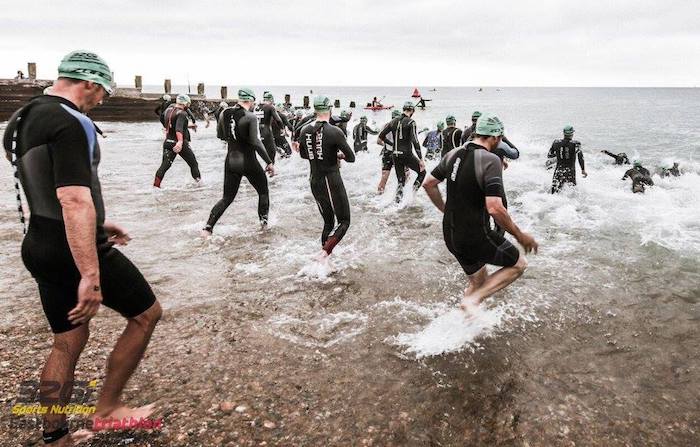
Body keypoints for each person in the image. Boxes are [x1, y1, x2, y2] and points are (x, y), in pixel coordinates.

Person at [3, 50, 161, 446]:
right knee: (146, 315)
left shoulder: (22, 118)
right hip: (74, 251)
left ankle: (56, 435)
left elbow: (44, 186)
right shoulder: (72, 122)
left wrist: (100, 221)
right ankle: (107, 409)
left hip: (39, 244)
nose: (103, 99)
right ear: (88, 82)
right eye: (103, 91)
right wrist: (90, 274)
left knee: (67, 340)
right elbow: (74, 198)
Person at [422, 113, 538, 315]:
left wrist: (445, 209)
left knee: (479, 280)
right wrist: (520, 236)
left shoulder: (453, 154)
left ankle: (464, 323)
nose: (499, 142)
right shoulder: (490, 160)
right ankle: (473, 301)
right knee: (519, 264)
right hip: (474, 235)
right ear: (494, 137)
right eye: (499, 138)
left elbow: (429, 183)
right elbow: (494, 207)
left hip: (450, 233)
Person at [202, 88, 275, 235]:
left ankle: (208, 228)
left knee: (227, 198)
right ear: (250, 100)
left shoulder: (225, 113)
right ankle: (264, 226)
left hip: (230, 161)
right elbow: (255, 142)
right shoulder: (250, 117)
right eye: (253, 102)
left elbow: (220, 135)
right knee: (263, 192)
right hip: (248, 161)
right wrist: (269, 162)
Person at [298, 95, 356, 259]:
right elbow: (351, 157)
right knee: (344, 221)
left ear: (315, 110)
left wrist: (319, 153)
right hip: (331, 180)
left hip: (314, 180)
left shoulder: (304, 130)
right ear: (330, 109)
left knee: (328, 222)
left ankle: (324, 261)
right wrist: (338, 156)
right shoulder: (335, 131)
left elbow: (304, 154)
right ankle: (324, 254)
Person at [377, 102, 426, 203]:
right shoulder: (411, 122)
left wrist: (392, 143)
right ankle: (411, 196)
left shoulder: (393, 121)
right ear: (412, 111)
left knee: (401, 181)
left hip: (395, 154)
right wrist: (421, 158)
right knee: (422, 173)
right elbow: (415, 140)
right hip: (407, 154)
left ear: (403, 109)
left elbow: (381, 136)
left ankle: (397, 202)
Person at [153, 94, 202, 187]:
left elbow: (171, 124)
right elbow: (178, 129)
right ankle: (200, 185)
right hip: (179, 143)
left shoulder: (168, 110)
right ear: (186, 103)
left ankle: (155, 187)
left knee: (164, 166)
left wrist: (188, 126)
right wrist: (180, 142)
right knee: (193, 164)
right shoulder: (182, 113)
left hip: (168, 142)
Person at [548, 125, 587, 193]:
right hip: (570, 172)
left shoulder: (556, 142)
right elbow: (580, 156)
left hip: (558, 171)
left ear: (563, 133)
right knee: (572, 193)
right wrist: (583, 170)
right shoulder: (576, 143)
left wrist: (559, 154)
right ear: (572, 134)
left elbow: (549, 155)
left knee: (554, 193)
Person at [254, 92, 284, 162]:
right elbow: (278, 120)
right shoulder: (270, 107)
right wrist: (282, 129)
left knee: (259, 152)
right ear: (271, 100)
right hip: (266, 131)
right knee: (272, 152)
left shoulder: (256, 107)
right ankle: (270, 170)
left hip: (256, 132)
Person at [377, 109, 402, 194]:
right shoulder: (401, 126)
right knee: (406, 176)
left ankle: (379, 198)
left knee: (384, 177)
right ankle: (400, 196)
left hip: (387, 153)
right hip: (398, 154)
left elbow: (379, 141)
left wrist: (387, 145)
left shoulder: (385, 126)